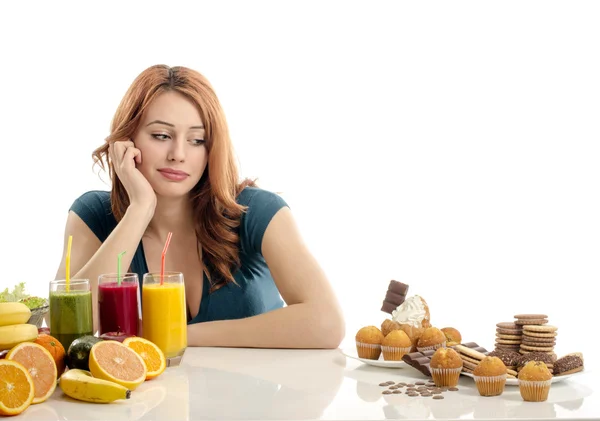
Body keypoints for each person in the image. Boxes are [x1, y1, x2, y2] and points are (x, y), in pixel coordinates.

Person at [53, 64, 345, 349]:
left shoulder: (259, 212)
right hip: (148, 398)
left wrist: (177, 334)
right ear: (126, 139)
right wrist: (139, 210)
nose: (178, 154)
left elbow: (327, 324)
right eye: (161, 136)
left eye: (197, 140)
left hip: (254, 398)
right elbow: (66, 330)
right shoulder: (93, 215)